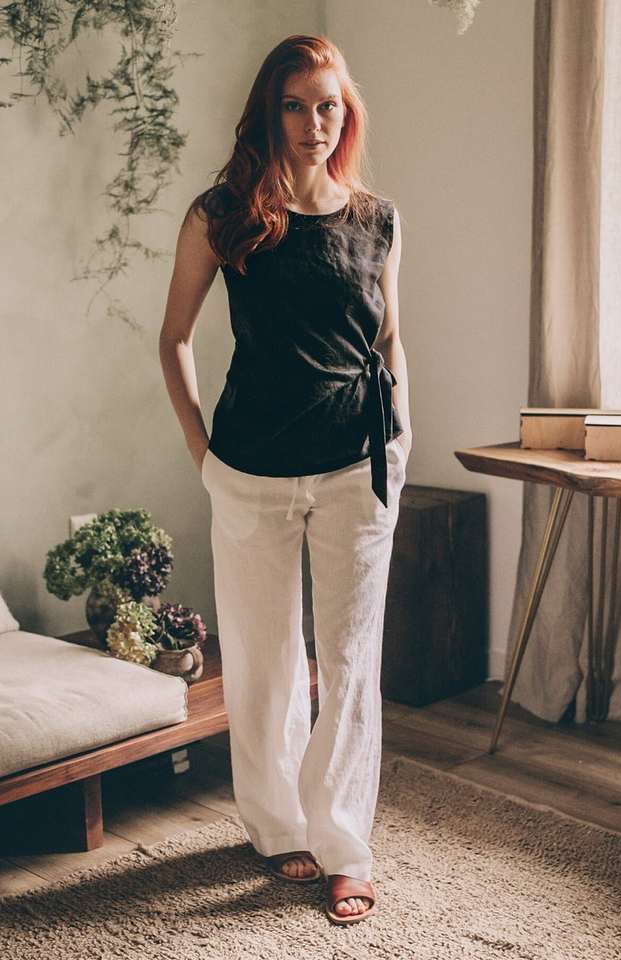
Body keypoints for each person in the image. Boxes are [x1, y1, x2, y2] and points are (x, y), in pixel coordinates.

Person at [159, 33, 412, 926]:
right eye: (296, 105)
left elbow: (389, 339)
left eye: (328, 105)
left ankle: (345, 846)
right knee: (265, 663)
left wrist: (402, 441)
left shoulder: (377, 219)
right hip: (251, 471)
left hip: (356, 469)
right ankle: (277, 827)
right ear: (270, 113)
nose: (314, 122)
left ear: (348, 114)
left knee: (348, 663)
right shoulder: (223, 215)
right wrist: (202, 454)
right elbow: (174, 338)